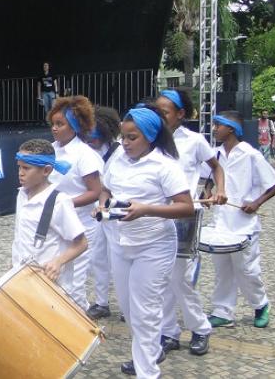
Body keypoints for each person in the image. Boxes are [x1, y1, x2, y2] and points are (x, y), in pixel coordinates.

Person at [99, 105, 194, 378]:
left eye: (132, 138)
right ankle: (148, 353)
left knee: (146, 310)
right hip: (120, 241)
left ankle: (147, 371)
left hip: (154, 245)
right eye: (123, 137)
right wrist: (103, 205)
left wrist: (146, 209)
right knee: (129, 309)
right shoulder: (117, 158)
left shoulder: (165, 165)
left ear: (150, 136)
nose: (125, 143)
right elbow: (106, 188)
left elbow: (185, 207)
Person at [155, 89, 227, 357]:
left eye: (165, 112)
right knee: (161, 277)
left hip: (185, 214)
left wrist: (218, 191)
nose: (160, 116)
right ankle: (169, 332)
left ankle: (200, 328)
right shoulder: (151, 140)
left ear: (180, 114)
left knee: (180, 278)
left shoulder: (195, 141)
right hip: (156, 214)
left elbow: (216, 168)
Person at [205, 111, 275, 329]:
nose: (214, 130)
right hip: (221, 222)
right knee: (223, 270)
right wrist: (208, 194)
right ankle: (223, 311)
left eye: (217, 126)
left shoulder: (251, 154)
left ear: (231, 129)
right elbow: (209, 179)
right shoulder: (216, 154)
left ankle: (261, 305)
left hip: (243, 223)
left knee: (247, 269)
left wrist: (257, 202)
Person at [47, 96, 104, 312]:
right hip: (55, 224)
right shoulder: (50, 149)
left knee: (74, 285)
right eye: (53, 123)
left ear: (75, 125)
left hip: (81, 226)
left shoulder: (85, 155)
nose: (54, 128)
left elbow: (95, 191)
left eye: (60, 124)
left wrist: (64, 203)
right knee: (57, 280)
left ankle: (80, 327)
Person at [12, 139, 88, 291]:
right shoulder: (22, 195)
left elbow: (82, 243)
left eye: (26, 168)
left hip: (51, 283)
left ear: (46, 170)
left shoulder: (59, 202)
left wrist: (58, 262)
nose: (20, 173)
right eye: (19, 167)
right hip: (24, 276)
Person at [82, 105, 122, 319]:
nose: (91, 140)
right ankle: (101, 302)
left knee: (118, 260)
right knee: (97, 258)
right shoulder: (89, 153)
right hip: (99, 214)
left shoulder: (120, 153)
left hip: (118, 215)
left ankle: (127, 306)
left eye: (94, 136)